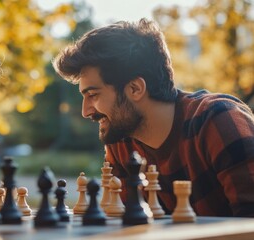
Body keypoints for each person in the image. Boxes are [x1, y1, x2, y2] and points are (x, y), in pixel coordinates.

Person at [53, 18, 254, 217]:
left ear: (135, 88)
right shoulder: (121, 141)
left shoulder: (219, 122)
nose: (86, 111)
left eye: (93, 95)